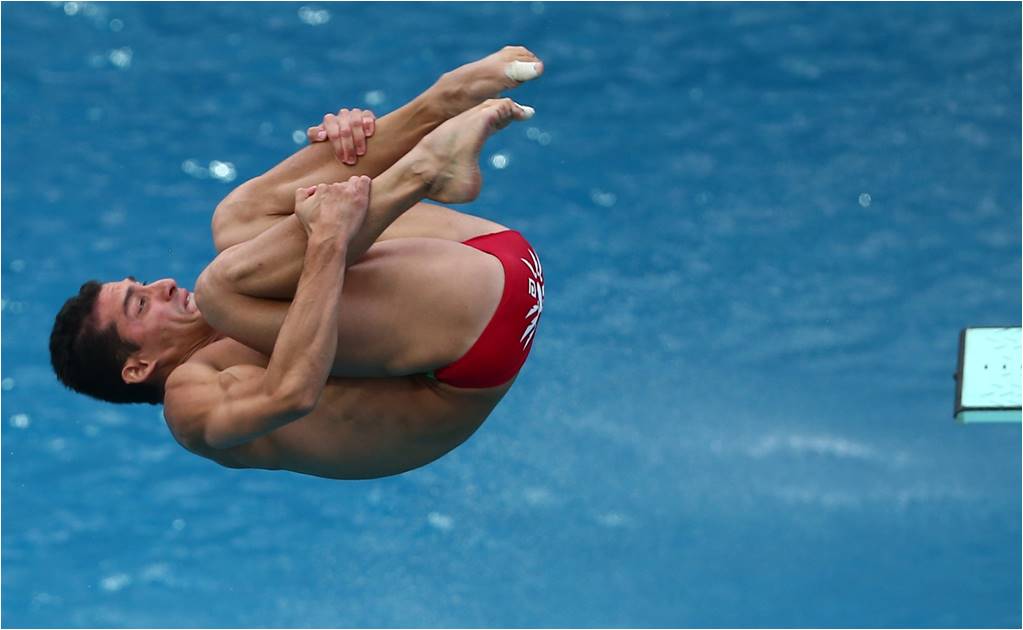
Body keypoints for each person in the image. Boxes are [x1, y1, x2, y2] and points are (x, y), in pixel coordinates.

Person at [49, 47, 546, 480]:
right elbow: (290, 396)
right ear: (137, 368)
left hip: (491, 258)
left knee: (235, 223)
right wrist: (327, 238)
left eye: (143, 283)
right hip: (479, 336)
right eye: (140, 304)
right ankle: (421, 169)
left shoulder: (249, 312)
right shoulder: (190, 404)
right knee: (222, 286)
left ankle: (436, 108)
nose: (163, 284)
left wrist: (347, 147)